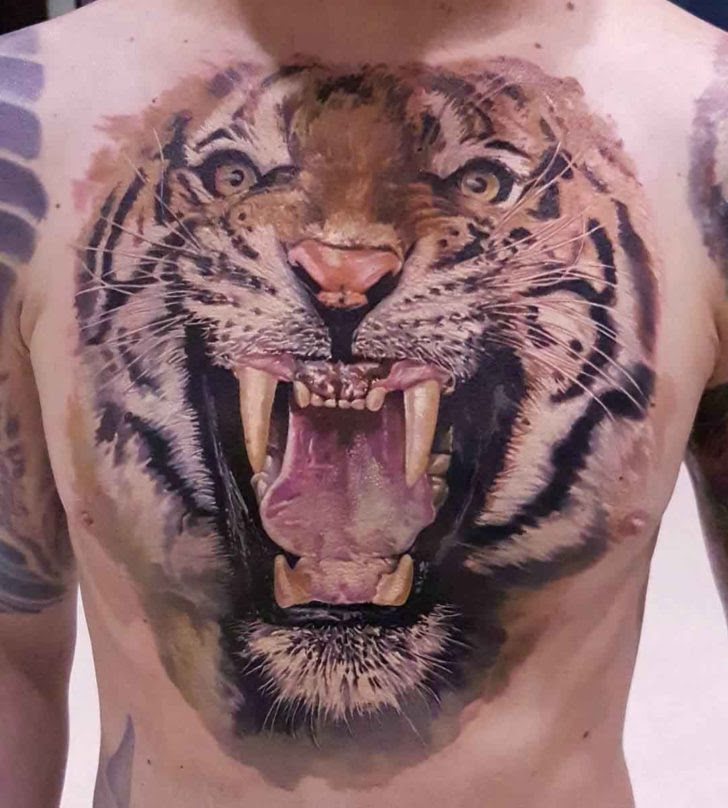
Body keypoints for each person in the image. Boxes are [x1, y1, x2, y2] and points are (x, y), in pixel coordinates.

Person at [1, 0, 727, 805]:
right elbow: (9, 657)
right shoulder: (23, 120)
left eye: (483, 180)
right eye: (233, 174)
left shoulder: (706, 122)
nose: (345, 260)